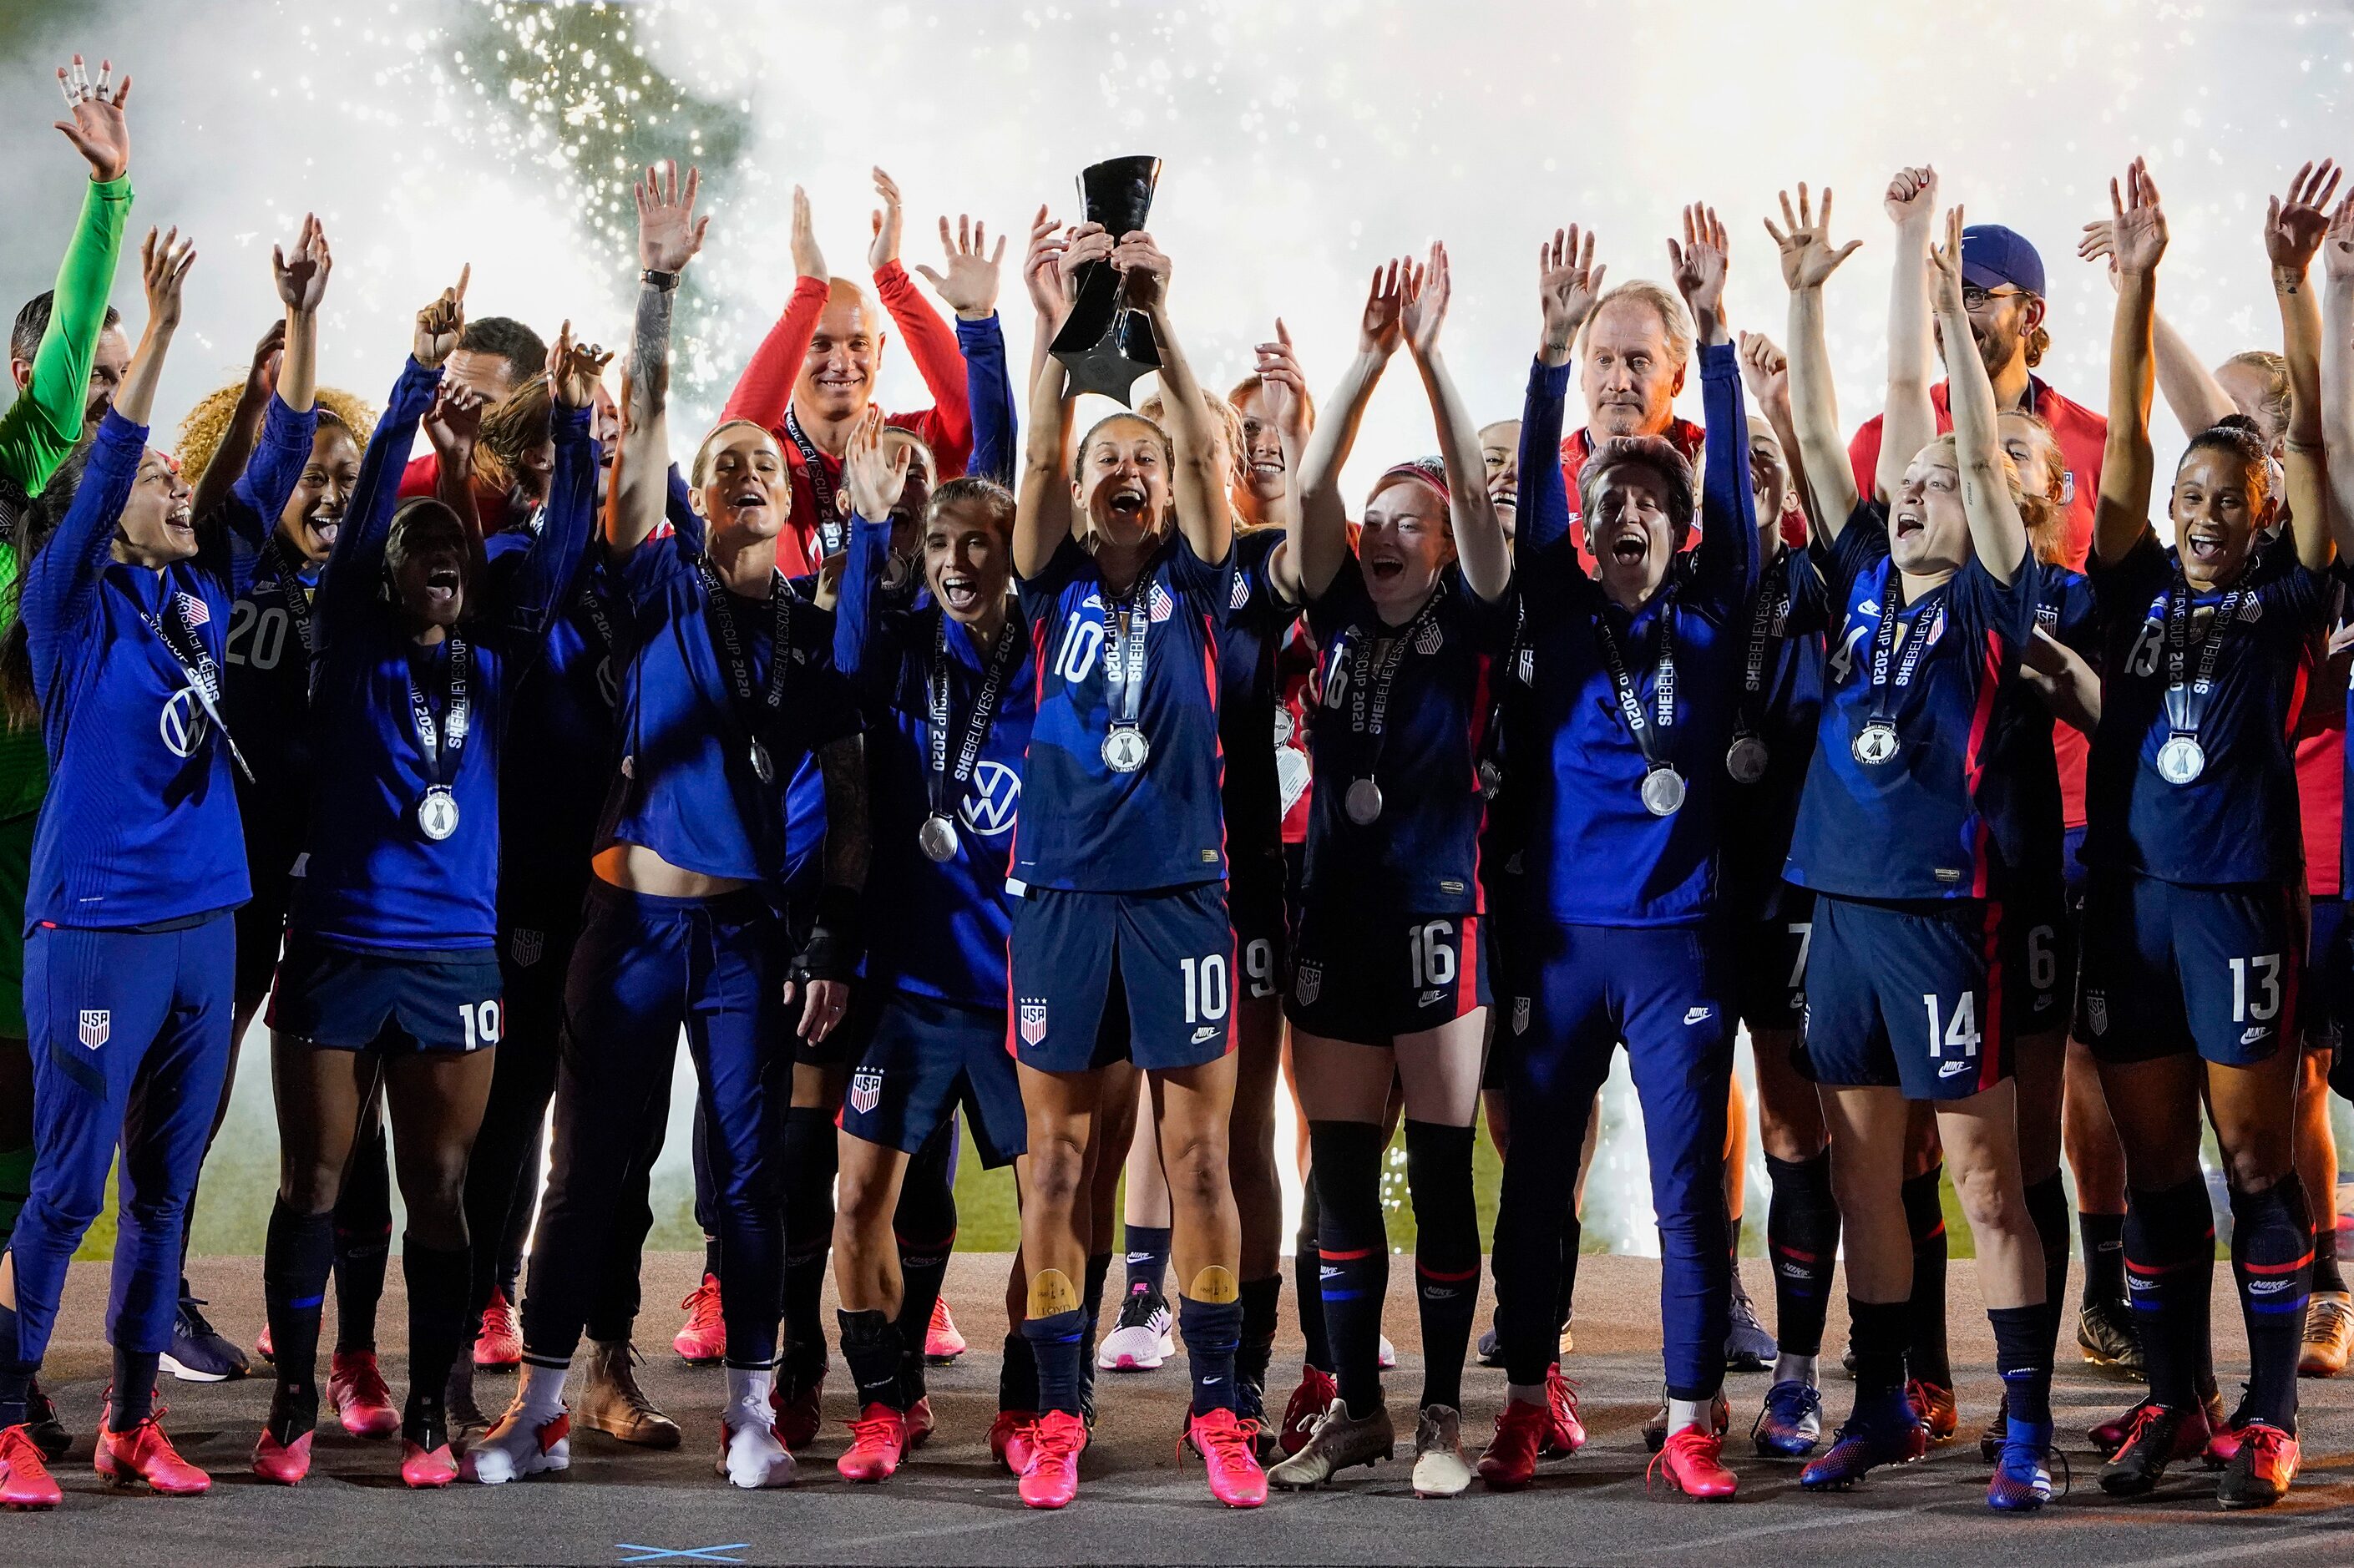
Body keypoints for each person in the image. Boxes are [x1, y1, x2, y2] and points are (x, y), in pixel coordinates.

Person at [482, 162, 865, 1492]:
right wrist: (656, 292)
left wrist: (823, 940)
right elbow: (635, 457)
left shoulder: (813, 635)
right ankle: (538, 1401)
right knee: (586, 1176)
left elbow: (847, 803)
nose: (745, 481)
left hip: (749, 940)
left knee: (752, 1187)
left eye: (763, 469)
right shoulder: (654, 586)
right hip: (629, 927)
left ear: (787, 500)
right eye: (725, 470)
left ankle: (753, 1411)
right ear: (701, 502)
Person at [251, 238, 605, 1490]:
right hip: (342, 947)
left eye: (455, 550)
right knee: (313, 1181)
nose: (442, 560)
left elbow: (558, 549)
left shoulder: (500, 658)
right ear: (389, 566)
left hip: (451, 954)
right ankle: (295, 1396)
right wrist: (408, 375)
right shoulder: (350, 636)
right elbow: (358, 548)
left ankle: (429, 1407)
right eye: (420, 548)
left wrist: (573, 421)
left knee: (446, 1190)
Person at [0, 211, 308, 1506]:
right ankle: (9, 1420)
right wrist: (167, 328)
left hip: (204, 925)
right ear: (93, 515)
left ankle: (131, 1418)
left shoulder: (199, 592)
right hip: (96, 926)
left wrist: (302, 331)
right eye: (155, 484)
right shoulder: (62, 606)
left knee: (164, 1196)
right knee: (67, 1187)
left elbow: (275, 452)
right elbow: (110, 449)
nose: (180, 488)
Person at [1774, 190, 2058, 1511]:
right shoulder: (1867, 580)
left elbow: (1974, 458)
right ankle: (1879, 1398)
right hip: (1842, 913)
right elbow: (1834, 425)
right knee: (1856, 1173)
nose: (1913, 494)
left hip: (1951, 917)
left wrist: (1950, 314)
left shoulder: (1998, 595)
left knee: (1983, 1177)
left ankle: (2024, 1424)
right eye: (1912, 482)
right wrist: (1812, 290)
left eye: (1942, 482)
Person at [1479, 209, 1759, 1502]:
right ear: (1582, 525)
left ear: (1679, 521)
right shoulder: (1549, 598)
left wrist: (1708, 344)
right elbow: (1542, 471)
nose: (1625, 511)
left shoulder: (1715, 607)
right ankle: (1527, 1401)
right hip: (1560, 942)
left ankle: (1692, 1413)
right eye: (1607, 498)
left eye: (1652, 496)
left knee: (1688, 1193)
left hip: (1678, 940)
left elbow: (1741, 509)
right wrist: (1546, 361)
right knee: (1533, 1179)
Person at [2083, 159, 2338, 1511]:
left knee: (2252, 1163)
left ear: (2261, 514)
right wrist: (2131, 284)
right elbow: (2123, 454)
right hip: (2129, 909)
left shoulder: (2290, 596)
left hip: (2238, 905)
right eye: (2185, 495)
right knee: (2149, 1168)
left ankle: (2266, 1406)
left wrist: (2293, 292)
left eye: (2219, 496)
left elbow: (2307, 452)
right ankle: (2171, 1396)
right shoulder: (2128, 586)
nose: (2193, 511)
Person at [1004, 218, 1262, 1510]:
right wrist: (1059, 329)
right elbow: (1037, 457)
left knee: (1202, 1155)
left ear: (1162, 490)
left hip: (1179, 898)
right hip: (1056, 897)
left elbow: (1211, 447)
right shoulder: (1044, 579)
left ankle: (1216, 1408)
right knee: (1055, 1164)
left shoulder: (1204, 583)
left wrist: (1158, 314)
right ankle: (1055, 1411)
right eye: (1105, 452)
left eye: (1139, 461)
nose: (1122, 469)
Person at [1263, 242, 1511, 1500]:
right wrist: (1360, 365)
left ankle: (1441, 1415)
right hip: (1334, 919)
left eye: (1410, 522)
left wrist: (1431, 359)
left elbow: (1472, 496)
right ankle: (1352, 1405)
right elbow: (1309, 493)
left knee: (1443, 1169)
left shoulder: (1471, 614)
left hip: (1435, 920)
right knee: (1343, 1175)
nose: (1389, 533)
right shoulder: (1339, 612)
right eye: (1380, 520)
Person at [826, 411, 1033, 1483]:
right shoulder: (900, 648)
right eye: (940, 543)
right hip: (904, 987)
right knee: (857, 1199)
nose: (955, 562)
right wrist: (870, 531)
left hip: (1017, 993)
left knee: (1050, 1211)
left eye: (978, 543)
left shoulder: (1050, 662)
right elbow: (844, 671)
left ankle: (1026, 1401)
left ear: (1012, 551)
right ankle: (882, 1401)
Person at [0, 55, 134, 1459]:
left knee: (35, 1139)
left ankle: (13, 1378)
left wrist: (109, 196)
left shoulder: (54, 489)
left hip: (46, 870)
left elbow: (69, 360)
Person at [1714, 330, 1838, 1459]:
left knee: (1798, 1126)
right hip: (1681, 899)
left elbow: (1837, 513)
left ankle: (1797, 1376)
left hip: (1792, 897)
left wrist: (1784, 420)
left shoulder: (1821, 585)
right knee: (1678, 1120)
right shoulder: (1672, 588)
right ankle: (1692, 1349)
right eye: (1731, 457)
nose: (1746, 474)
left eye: (1765, 467)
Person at [718, 171, 976, 576]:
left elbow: (972, 410)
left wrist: (893, 280)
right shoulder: (765, 461)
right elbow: (732, 439)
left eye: (858, 344)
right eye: (819, 345)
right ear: (793, 352)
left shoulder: (908, 451)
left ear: (879, 352)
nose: (842, 363)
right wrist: (808, 294)